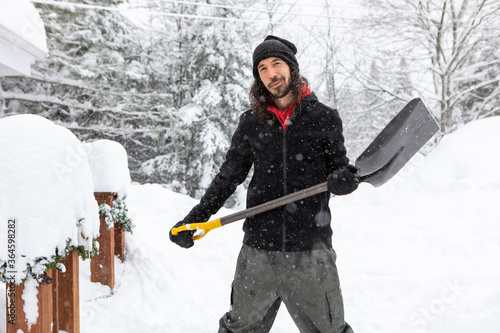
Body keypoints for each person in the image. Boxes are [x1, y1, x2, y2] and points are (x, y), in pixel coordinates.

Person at [170, 35, 358, 333]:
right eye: (262, 69)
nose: (271, 73)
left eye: (276, 64)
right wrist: (196, 218)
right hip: (259, 252)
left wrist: (344, 180)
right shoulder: (251, 123)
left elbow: (340, 173)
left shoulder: (324, 118)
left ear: (292, 68)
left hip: (311, 251)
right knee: (239, 329)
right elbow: (229, 176)